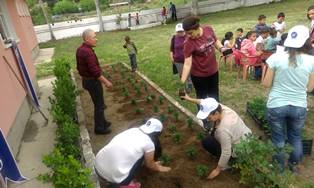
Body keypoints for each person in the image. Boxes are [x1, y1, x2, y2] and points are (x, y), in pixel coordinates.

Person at [262, 25, 314, 173]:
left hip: (277, 104)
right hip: (299, 106)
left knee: (278, 139)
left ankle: (279, 168)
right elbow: (310, 89)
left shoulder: (276, 58)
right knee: (295, 137)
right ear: (306, 41)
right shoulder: (312, 61)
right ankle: (293, 165)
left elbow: (266, 84)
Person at [181, 94, 252, 179]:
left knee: (207, 142)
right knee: (213, 133)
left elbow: (226, 152)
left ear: (216, 113)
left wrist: (217, 170)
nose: (207, 119)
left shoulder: (223, 129)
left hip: (240, 150)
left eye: (209, 117)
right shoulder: (220, 107)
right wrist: (189, 98)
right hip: (247, 138)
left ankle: (230, 163)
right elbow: (202, 102)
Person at [94, 118, 171, 187]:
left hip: (97, 164)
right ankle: (125, 185)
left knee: (132, 154)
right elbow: (149, 164)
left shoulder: (133, 130)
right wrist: (160, 168)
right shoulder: (149, 143)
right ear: (157, 133)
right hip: (111, 177)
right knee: (139, 159)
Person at [76, 29, 112, 135]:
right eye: (94, 37)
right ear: (87, 39)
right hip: (92, 82)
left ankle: (103, 122)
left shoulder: (81, 49)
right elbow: (95, 71)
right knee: (99, 105)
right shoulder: (88, 52)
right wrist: (106, 82)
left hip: (86, 80)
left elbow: (79, 67)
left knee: (98, 103)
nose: (96, 39)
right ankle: (99, 128)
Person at [181, 16, 224, 102]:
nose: (188, 36)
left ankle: (216, 113)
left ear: (197, 28)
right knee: (202, 99)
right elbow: (187, 64)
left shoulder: (208, 29)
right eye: (186, 33)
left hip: (213, 71)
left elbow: (215, 41)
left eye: (190, 33)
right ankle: (203, 115)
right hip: (199, 76)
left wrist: (221, 48)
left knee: (215, 96)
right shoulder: (188, 43)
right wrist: (182, 81)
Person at [170, 23, 193, 93]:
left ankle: (189, 85)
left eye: (181, 31)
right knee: (181, 74)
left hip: (187, 60)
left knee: (188, 74)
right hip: (177, 60)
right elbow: (171, 49)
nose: (180, 33)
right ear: (176, 31)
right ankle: (185, 84)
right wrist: (171, 57)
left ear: (184, 31)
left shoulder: (189, 37)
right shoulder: (174, 38)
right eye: (178, 31)